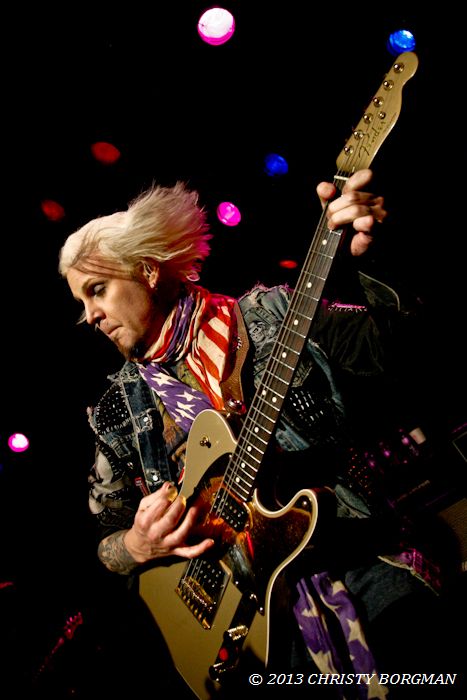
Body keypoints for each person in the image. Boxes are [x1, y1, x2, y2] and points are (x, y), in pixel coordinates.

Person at [58, 169, 464, 699]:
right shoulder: (118, 413)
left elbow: (407, 351)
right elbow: (103, 543)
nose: (90, 316)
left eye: (97, 290)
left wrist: (380, 258)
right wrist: (135, 544)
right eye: (81, 302)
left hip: (363, 560)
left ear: (148, 271)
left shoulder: (274, 315)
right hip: (255, 627)